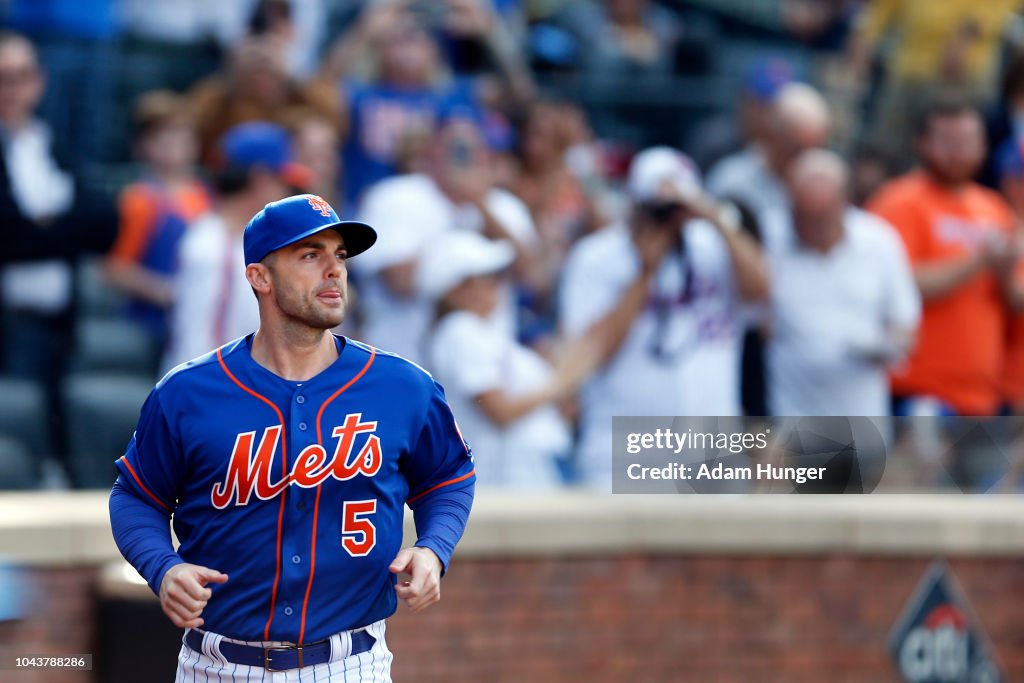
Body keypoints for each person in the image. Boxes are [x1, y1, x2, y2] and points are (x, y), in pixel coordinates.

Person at [109, 193, 475, 681]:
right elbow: (136, 495)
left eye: (340, 256)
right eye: (310, 255)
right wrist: (163, 567)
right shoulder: (187, 393)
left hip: (351, 663)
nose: (334, 270)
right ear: (260, 277)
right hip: (214, 666)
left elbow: (449, 477)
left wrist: (433, 548)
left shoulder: (403, 387)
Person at [560, 147, 770, 488]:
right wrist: (645, 273)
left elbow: (763, 291)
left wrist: (714, 218)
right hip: (625, 450)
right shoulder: (597, 256)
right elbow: (590, 352)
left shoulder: (714, 245)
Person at [0, 31, 115, 471]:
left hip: (59, 319)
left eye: (21, 76)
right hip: (8, 323)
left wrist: (43, 229)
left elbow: (103, 223)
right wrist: (57, 227)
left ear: (38, 82)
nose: (12, 88)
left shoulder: (51, 143)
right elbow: (10, 237)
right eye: (3, 77)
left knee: (65, 427)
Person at [867, 98, 1018, 416]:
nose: (958, 152)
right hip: (916, 387)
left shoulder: (995, 209)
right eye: (948, 141)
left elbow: (1015, 297)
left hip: (981, 395)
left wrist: (1003, 274)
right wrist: (978, 262)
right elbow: (897, 285)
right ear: (922, 143)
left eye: (968, 142)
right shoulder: (898, 201)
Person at [353, 113, 537, 365]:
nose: (463, 158)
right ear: (431, 151)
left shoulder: (504, 206)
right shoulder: (395, 196)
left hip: (482, 371)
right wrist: (455, 244)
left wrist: (478, 204)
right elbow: (399, 283)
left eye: (472, 149)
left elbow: (531, 277)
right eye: (454, 148)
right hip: (401, 361)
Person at [420, 230, 598, 488]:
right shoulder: (459, 331)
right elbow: (499, 411)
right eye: (488, 278)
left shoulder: (482, 332)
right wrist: (562, 381)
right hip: (509, 477)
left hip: (532, 469)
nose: (499, 286)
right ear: (456, 289)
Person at [762, 149, 920, 416]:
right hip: (787, 416)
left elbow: (905, 320)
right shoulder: (769, 237)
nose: (811, 228)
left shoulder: (879, 240)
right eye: (803, 217)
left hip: (861, 414)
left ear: (844, 203)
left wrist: (885, 347)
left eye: (821, 218)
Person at [161, 121, 309, 373]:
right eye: (282, 181)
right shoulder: (216, 247)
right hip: (213, 397)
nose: (287, 191)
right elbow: (203, 348)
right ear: (260, 179)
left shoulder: (237, 239)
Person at [103, 90, 211, 360]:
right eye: (163, 139)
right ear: (143, 146)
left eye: (181, 138)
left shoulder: (208, 195)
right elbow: (116, 269)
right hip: (153, 326)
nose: (174, 146)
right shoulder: (139, 199)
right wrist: (166, 291)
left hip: (202, 321)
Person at [706, 82, 832, 222]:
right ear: (772, 136)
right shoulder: (731, 181)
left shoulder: (830, 188)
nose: (807, 161)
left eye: (815, 150)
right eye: (797, 150)